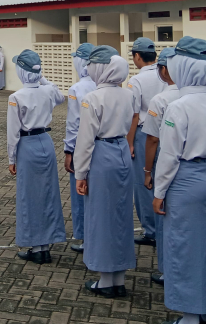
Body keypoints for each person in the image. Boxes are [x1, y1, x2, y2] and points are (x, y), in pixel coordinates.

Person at [153, 37, 206, 324]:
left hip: (186, 179)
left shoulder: (177, 107)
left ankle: (189, 321)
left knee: (184, 247)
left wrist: (159, 192)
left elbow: (169, 156)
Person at [74, 46, 136, 297]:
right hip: (122, 152)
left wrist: (80, 174)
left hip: (102, 155)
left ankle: (105, 280)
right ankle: (118, 278)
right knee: (121, 216)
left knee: (101, 216)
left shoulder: (93, 98)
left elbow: (85, 139)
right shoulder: (128, 95)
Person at [8, 49, 66, 263]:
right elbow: (60, 96)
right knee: (48, 194)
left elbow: (12, 132)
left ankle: (36, 247)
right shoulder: (48, 91)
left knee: (29, 196)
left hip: (28, 145)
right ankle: (45, 245)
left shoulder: (16, 96)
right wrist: (42, 78)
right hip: (46, 143)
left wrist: (11, 158)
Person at [141, 47, 178, 285]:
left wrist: (147, 171)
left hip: (168, 160)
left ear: (164, 70)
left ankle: (168, 270)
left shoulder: (162, 99)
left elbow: (153, 140)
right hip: (202, 169)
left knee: (166, 215)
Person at [126, 37, 162, 247]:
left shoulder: (136, 80)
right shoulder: (165, 74)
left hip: (144, 134)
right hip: (167, 134)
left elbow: (134, 115)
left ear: (137, 56)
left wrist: (129, 142)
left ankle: (151, 230)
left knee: (143, 183)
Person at [63, 42, 95, 254]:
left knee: (80, 191)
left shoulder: (77, 89)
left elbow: (73, 124)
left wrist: (69, 151)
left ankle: (84, 237)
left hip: (81, 147)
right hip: (104, 146)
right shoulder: (105, 85)